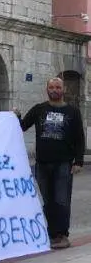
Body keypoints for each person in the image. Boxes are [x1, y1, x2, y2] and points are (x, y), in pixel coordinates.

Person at [15, 77, 85, 249]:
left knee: (61, 201)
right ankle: (52, 234)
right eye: (51, 87)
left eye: (58, 87)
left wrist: (79, 161)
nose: (54, 90)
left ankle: (62, 235)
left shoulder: (73, 111)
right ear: (47, 90)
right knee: (47, 201)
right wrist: (15, 117)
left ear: (64, 89)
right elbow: (22, 126)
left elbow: (79, 138)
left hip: (63, 163)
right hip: (42, 164)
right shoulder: (39, 109)